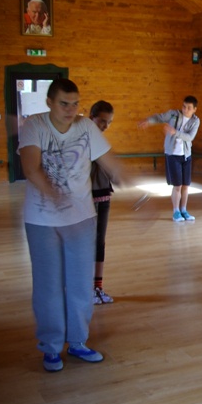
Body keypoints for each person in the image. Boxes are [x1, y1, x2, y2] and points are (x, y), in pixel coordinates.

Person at [18, 78, 123, 372]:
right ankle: (51, 347)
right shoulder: (34, 126)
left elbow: (109, 160)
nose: (70, 109)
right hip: (42, 221)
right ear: (49, 102)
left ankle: (77, 341)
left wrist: (129, 179)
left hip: (81, 219)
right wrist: (55, 196)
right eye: (64, 103)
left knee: (80, 284)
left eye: (75, 104)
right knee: (49, 286)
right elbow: (30, 168)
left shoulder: (86, 127)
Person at [139, 96, 200, 222]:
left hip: (186, 155)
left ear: (194, 109)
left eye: (189, 108)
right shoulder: (173, 114)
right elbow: (159, 117)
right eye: (184, 106)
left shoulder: (196, 121)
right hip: (172, 155)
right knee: (177, 185)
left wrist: (174, 132)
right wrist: (148, 121)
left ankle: (184, 210)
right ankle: (176, 211)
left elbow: (190, 137)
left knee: (185, 185)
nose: (185, 110)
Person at [90, 101, 115, 304]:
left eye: (109, 122)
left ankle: (97, 287)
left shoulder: (102, 141)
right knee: (86, 243)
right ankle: (85, 287)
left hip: (104, 195)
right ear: (92, 118)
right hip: (86, 198)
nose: (105, 126)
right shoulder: (83, 140)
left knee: (100, 242)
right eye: (102, 121)